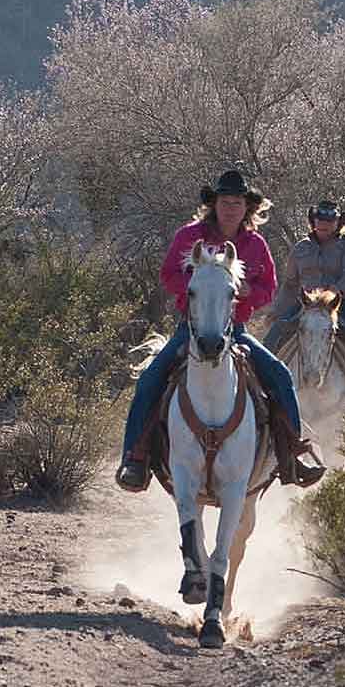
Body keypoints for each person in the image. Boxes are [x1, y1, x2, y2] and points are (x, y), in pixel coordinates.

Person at [116, 170, 325, 493]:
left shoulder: (255, 244)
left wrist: (246, 294)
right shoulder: (189, 235)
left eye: (238, 203)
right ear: (213, 204)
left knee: (280, 375)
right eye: (225, 202)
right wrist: (200, 286)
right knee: (150, 380)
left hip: (235, 331)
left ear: (248, 208)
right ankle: (135, 457)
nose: (231, 208)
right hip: (191, 330)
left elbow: (268, 288)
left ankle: (292, 456)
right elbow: (168, 274)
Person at [261, 200, 345, 427]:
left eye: (328, 221)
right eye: (319, 221)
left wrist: (335, 290)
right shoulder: (301, 248)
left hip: (341, 303)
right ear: (312, 221)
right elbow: (291, 284)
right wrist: (277, 311)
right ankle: (262, 400)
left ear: (337, 222)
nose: (323, 225)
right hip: (306, 304)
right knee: (271, 339)